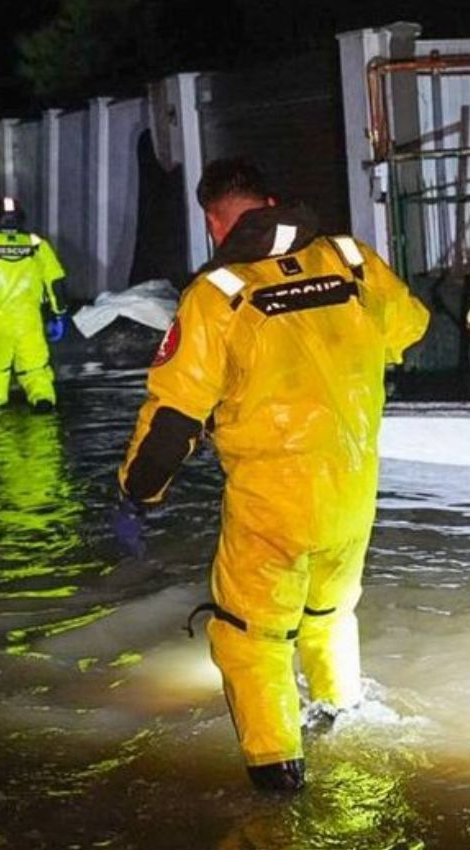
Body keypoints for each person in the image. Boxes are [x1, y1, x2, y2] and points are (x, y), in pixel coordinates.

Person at [113, 158, 429, 792]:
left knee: (249, 642)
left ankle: (279, 784)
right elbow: (410, 328)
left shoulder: (216, 295)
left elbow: (174, 420)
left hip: (272, 508)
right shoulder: (350, 259)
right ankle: (343, 717)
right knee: (330, 615)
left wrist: (136, 493)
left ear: (212, 221)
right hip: (352, 496)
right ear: (272, 201)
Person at [0, 196, 68, 410]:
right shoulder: (37, 245)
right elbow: (56, 282)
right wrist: (59, 314)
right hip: (29, 322)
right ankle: (43, 404)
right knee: (36, 370)